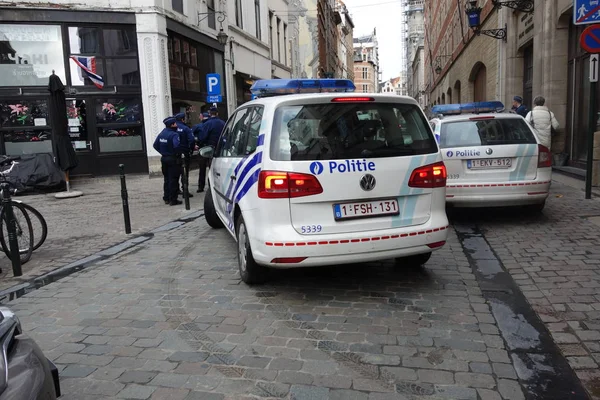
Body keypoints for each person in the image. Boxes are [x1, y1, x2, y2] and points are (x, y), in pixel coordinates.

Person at [153, 116, 183, 206]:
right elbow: (177, 146)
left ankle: (166, 198)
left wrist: (163, 152)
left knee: (166, 179)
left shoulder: (162, 133)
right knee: (173, 179)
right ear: (172, 124)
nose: (176, 125)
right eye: (175, 123)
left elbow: (155, 145)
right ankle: (173, 200)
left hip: (164, 159)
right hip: (173, 159)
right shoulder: (174, 135)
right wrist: (176, 154)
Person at [196, 107, 225, 193]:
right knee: (214, 169)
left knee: (202, 169)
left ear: (210, 114)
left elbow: (202, 137)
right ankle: (213, 185)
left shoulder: (207, 124)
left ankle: (201, 187)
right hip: (219, 149)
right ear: (217, 113)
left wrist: (200, 144)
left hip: (206, 148)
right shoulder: (223, 123)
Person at [174, 112, 196, 198]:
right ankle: (185, 191)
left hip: (175, 154)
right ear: (183, 119)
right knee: (184, 173)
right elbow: (192, 140)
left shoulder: (172, 128)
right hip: (184, 153)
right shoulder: (186, 128)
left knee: (175, 173)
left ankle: (176, 190)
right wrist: (191, 149)